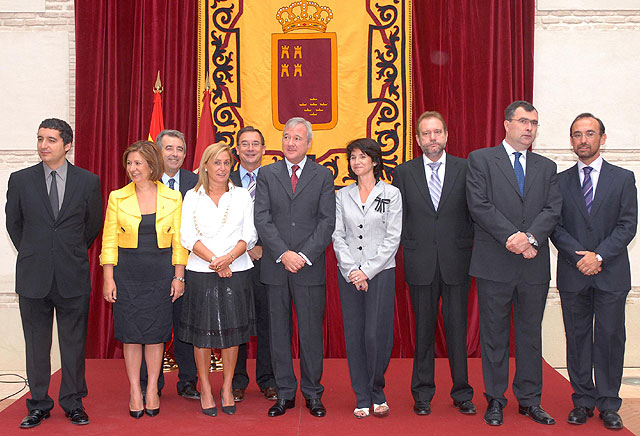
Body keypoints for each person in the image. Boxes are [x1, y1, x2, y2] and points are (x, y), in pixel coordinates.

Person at [466, 100, 562, 426]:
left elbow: (552, 209)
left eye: (534, 123)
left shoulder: (547, 167)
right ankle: (495, 399)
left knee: (529, 335)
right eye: (523, 122)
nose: (529, 128)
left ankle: (530, 400)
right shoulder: (481, 160)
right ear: (507, 124)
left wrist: (530, 238)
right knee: (494, 335)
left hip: (532, 265)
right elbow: (479, 205)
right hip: (495, 262)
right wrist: (514, 238)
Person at [6, 118, 102, 429]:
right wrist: (37, 252)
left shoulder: (87, 181)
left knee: (73, 345)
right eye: (40, 139)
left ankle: (73, 403)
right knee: (36, 345)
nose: (43, 145)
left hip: (72, 275)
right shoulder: (20, 180)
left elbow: (91, 226)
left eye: (51, 140)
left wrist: (67, 252)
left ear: (67, 145)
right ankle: (38, 404)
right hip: (34, 277)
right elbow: (14, 225)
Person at [550, 113, 637, 430]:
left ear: (603, 137)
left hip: (611, 273)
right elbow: (554, 227)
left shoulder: (623, 178)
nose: (583, 140)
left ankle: (609, 404)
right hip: (574, 275)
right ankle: (583, 401)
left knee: (611, 339)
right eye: (576, 134)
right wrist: (580, 257)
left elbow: (628, 225)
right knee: (577, 339)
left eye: (589, 133)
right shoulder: (559, 181)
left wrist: (599, 255)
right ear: (571, 141)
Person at [392, 111, 475, 416]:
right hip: (420, 263)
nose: (432, 138)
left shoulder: (466, 169)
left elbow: (475, 213)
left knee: (457, 331)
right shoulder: (403, 173)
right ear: (417, 139)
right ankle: (422, 394)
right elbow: (396, 220)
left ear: (446, 136)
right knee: (424, 332)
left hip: (457, 261)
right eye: (426, 133)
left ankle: (462, 393)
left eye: (437, 132)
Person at [254, 117, 336, 418]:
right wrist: (283, 253)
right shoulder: (267, 173)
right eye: (286, 137)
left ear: (309, 143)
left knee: (311, 333)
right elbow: (261, 218)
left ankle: (313, 393)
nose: (290, 142)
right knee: (278, 332)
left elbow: (328, 221)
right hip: (276, 267)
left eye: (297, 138)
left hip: (309, 267)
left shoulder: (323, 175)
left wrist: (302, 255)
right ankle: (285, 393)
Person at [101, 140, 188, 418]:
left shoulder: (173, 198)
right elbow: (109, 241)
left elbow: (179, 243)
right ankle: (135, 391)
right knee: (130, 336)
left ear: (152, 165)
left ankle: (152, 388)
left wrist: (179, 276)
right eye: (129, 163)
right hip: (127, 274)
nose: (132, 169)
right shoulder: (117, 197)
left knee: (155, 335)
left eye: (138, 163)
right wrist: (108, 278)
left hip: (161, 273)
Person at [178, 142, 257, 417]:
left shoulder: (242, 196)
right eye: (217, 162)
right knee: (202, 333)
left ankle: (225, 388)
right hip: (201, 271)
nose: (222, 168)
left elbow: (250, 235)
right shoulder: (191, 196)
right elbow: (186, 236)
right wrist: (214, 261)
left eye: (226, 163)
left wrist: (228, 260)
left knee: (232, 333)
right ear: (205, 166)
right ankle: (205, 388)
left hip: (236, 269)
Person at [332, 138, 401, 418]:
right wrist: (352, 270)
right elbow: (337, 235)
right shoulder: (342, 195)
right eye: (353, 157)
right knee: (355, 336)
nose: (357, 161)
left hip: (381, 273)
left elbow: (392, 237)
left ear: (374, 160)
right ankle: (362, 395)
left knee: (376, 335)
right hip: (349, 275)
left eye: (363, 156)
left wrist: (367, 270)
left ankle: (377, 390)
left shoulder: (392, 193)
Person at [139, 129, 200, 401]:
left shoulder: (197, 182)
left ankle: (188, 381)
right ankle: (149, 383)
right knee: (151, 326)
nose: (174, 154)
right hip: (151, 267)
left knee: (186, 325)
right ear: (158, 152)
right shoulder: (144, 181)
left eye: (179, 149)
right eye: (168, 148)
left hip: (190, 266)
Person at [230, 126, 277, 402]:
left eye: (255, 144)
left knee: (267, 322)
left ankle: (268, 379)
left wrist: (263, 248)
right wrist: (246, 248)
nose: (250, 149)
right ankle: (236, 380)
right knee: (236, 321)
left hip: (268, 261)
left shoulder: (274, 177)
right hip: (234, 262)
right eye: (244, 144)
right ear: (236, 149)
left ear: (263, 149)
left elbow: (281, 218)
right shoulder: (225, 177)